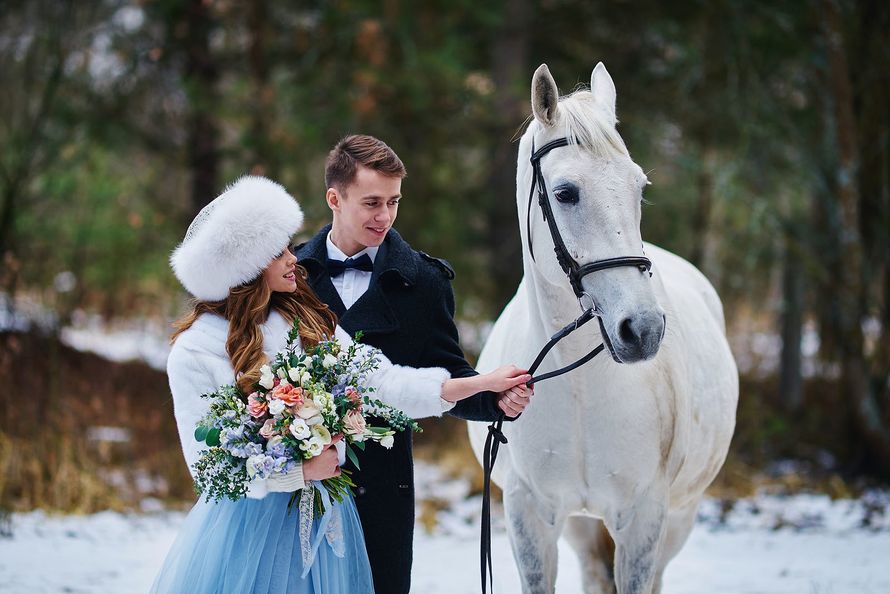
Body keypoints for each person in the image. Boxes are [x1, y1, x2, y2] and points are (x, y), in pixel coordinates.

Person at [152, 176, 531, 594]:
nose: (293, 258)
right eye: (278, 252)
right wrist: (299, 471)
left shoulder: (304, 321)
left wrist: (480, 384)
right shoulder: (194, 352)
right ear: (245, 268)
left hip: (324, 525)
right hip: (248, 536)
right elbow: (211, 469)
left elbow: (383, 383)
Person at [294, 134, 533, 594]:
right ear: (334, 199)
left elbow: (449, 374)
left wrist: (496, 400)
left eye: (394, 202)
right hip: (296, 488)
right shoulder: (290, 276)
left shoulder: (424, 282)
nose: (385, 216)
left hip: (381, 491)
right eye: (371, 203)